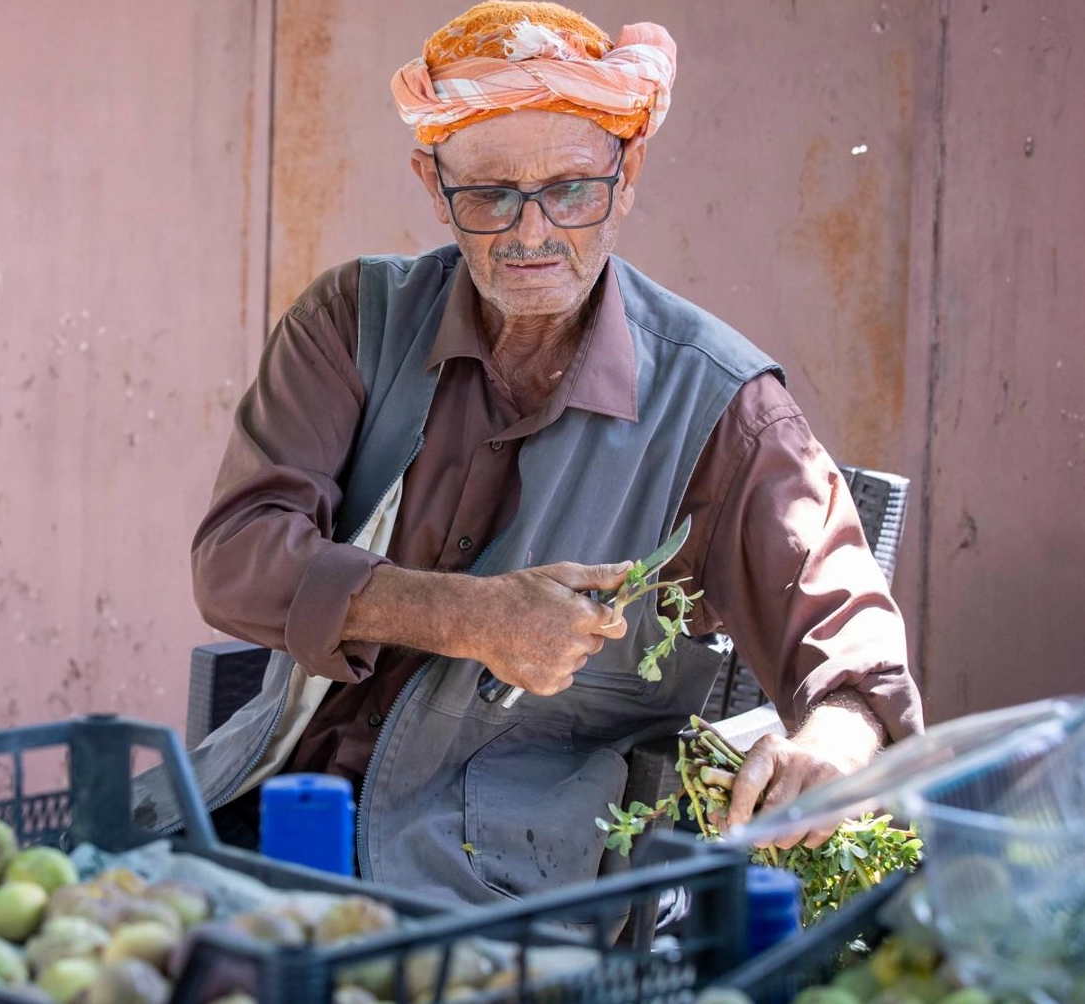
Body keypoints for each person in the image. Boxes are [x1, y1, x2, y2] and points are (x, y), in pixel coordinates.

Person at [136, 1, 923, 908]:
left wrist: (830, 745)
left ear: (628, 177)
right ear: (434, 186)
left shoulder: (726, 411)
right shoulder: (352, 322)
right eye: (490, 195)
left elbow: (856, 657)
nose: (532, 232)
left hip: (493, 887)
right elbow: (234, 560)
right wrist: (466, 616)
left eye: (573, 189)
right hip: (267, 804)